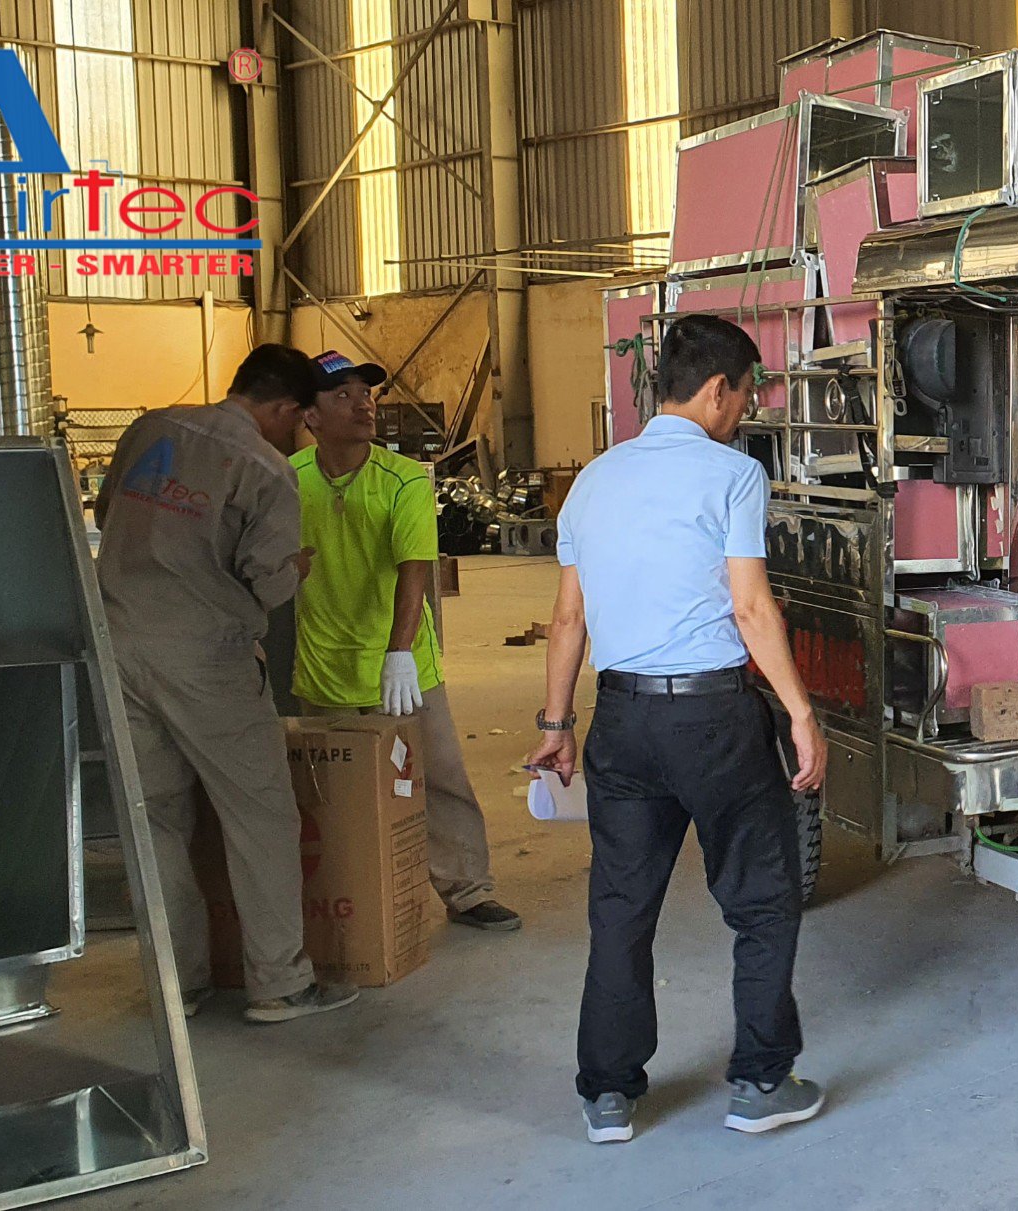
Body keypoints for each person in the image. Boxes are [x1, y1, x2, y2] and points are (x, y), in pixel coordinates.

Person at [527, 314, 829, 1145]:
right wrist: (801, 713)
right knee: (762, 899)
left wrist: (558, 722)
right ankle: (761, 1081)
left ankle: (608, 1094)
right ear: (717, 389)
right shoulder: (733, 475)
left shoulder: (592, 481)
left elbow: (567, 618)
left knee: (621, 909)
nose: (745, 411)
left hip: (622, 718)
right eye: (747, 395)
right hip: (713, 718)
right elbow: (751, 607)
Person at [95, 344, 361, 1024]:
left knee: (154, 817)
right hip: (204, 657)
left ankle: (176, 982)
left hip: (117, 645)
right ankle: (280, 981)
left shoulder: (150, 428)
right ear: (284, 408)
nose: (297, 432)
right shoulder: (265, 470)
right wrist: (297, 568)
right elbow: (267, 582)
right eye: (299, 420)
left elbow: (104, 512)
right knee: (261, 816)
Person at [289, 351, 518, 932]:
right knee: (329, 794)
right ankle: (347, 897)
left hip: (403, 669)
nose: (363, 405)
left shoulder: (404, 479)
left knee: (438, 779)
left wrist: (398, 653)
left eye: (367, 394)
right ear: (309, 415)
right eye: (343, 396)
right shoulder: (288, 480)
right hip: (324, 666)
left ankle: (467, 889)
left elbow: (415, 569)